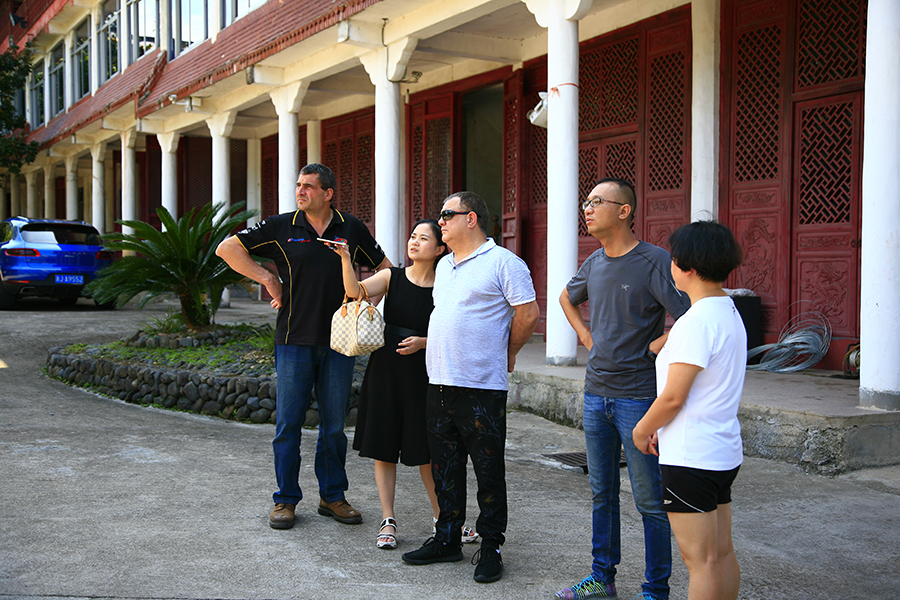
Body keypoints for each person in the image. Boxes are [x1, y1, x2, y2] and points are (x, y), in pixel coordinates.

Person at [216, 163, 392, 530]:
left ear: (328, 194)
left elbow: (386, 269)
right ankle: (285, 500)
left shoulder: (352, 227)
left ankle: (332, 496)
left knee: (333, 426)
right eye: (299, 185)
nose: (300, 191)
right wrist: (267, 277)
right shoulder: (281, 225)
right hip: (294, 340)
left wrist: (366, 304)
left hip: (341, 343)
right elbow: (227, 247)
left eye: (309, 187)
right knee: (288, 425)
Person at [557, 177, 690, 600]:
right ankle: (602, 578)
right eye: (587, 202)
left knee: (650, 501)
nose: (588, 208)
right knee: (602, 493)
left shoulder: (653, 260)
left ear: (625, 210)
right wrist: (586, 335)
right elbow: (565, 298)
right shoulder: (595, 262)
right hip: (596, 394)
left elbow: (691, 314)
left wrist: (657, 344)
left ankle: (656, 590)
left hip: (638, 397)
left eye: (597, 201)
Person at [401, 191, 539, 584]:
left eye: (447, 214)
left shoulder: (503, 263)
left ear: (472, 218)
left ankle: (491, 546)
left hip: (480, 386)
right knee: (445, 468)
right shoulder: (445, 266)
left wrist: (509, 350)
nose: (439, 221)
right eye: (440, 215)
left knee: (488, 471)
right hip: (439, 381)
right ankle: (446, 538)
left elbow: (527, 312)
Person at [328, 219, 478, 550]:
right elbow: (354, 293)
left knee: (427, 450)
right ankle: (388, 519)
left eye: (423, 238)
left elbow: (457, 328)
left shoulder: (447, 283)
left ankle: (444, 518)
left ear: (440, 249)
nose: (414, 242)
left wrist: (424, 343)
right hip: (386, 369)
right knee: (384, 447)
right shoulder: (391, 277)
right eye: (412, 236)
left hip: (427, 371)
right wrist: (344, 260)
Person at [632, 221, 745, 600]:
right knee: (719, 553)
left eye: (674, 260)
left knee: (699, 561)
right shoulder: (727, 310)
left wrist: (641, 429)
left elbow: (673, 398)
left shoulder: (696, 322)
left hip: (691, 456)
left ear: (687, 267)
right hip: (721, 450)